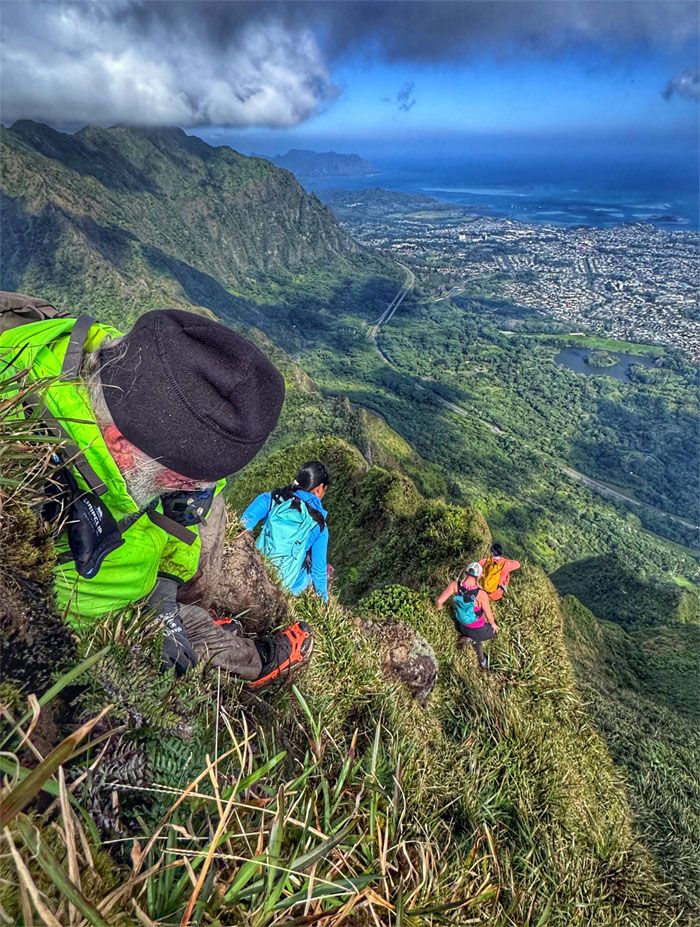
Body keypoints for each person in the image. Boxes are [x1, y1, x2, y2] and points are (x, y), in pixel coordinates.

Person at [0, 293, 313, 690]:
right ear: (120, 444)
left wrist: (166, 583)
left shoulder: (136, 374)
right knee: (192, 638)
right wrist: (152, 618)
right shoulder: (26, 481)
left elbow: (180, 512)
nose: (198, 492)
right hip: (91, 626)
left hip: (146, 580)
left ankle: (188, 609)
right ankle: (261, 666)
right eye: (184, 482)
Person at [241, 461, 330, 603]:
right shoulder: (319, 526)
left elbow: (245, 524)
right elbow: (318, 571)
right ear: (319, 489)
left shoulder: (272, 499)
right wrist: (324, 601)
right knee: (309, 569)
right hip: (284, 586)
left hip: (255, 569)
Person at [435, 562, 498, 669]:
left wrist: (440, 611)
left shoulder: (454, 585)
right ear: (479, 576)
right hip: (476, 629)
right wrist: (493, 624)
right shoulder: (481, 594)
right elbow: (490, 617)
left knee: (474, 635)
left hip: (461, 625)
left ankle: (470, 640)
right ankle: (482, 660)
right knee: (493, 632)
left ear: (465, 572)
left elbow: (439, 601)